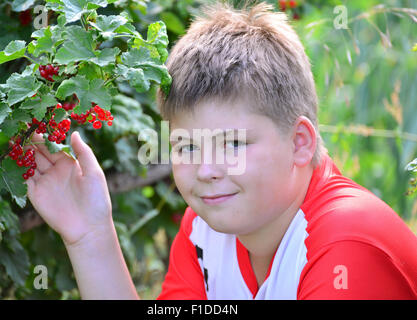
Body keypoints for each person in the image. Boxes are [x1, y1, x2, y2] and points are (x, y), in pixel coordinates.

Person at [25, 1, 417, 299]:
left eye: (232, 143)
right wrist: (91, 236)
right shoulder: (205, 229)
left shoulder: (348, 249)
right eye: (187, 146)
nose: (206, 169)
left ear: (299, 142)